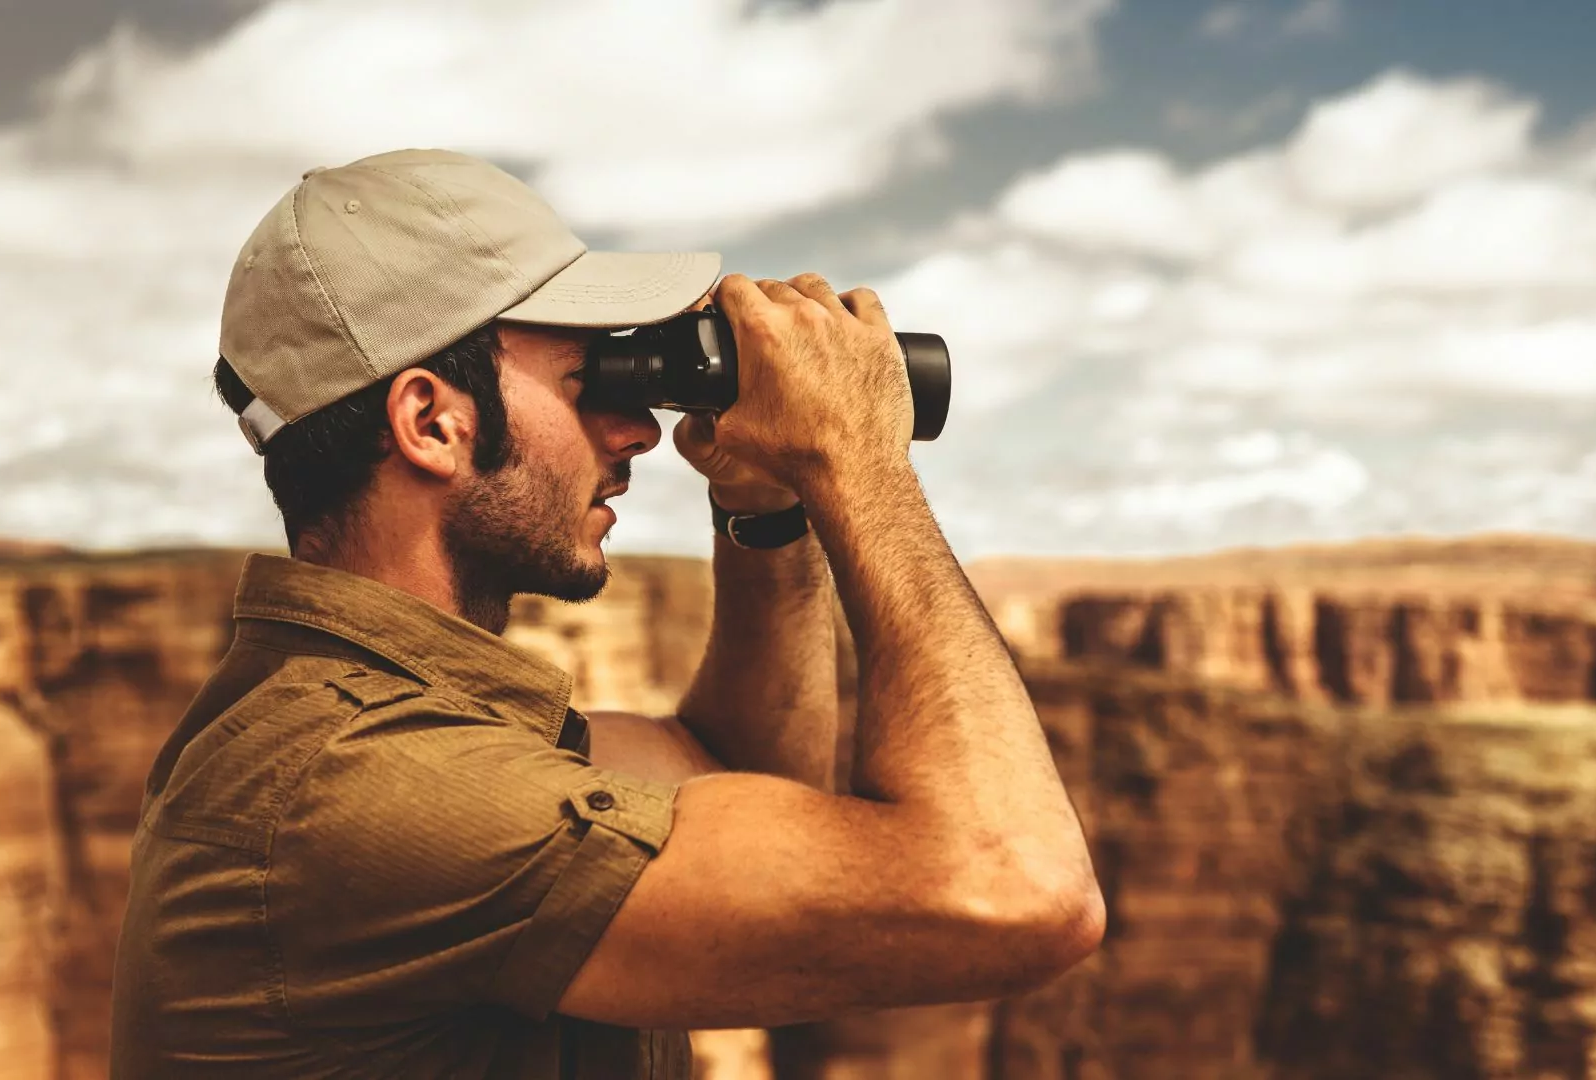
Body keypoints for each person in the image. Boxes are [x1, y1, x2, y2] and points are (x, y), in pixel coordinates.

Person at [108, 148, 1104, 1079]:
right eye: (590, 381)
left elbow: (737, 775)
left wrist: (766, 509)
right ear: (432, 423)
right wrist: (856, 459)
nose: (635, 429)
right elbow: (1017, 891)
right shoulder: (370, 785)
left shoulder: (382, 721)